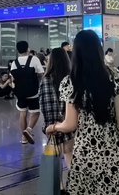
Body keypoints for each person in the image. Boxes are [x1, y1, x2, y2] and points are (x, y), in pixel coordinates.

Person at [46, 30, 119, 194]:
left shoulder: (71, 81)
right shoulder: (115, 75)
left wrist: (53, 127)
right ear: (99, 49)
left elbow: (70, 124)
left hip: (86, 154)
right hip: (113, 150)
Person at [39, 47, 74, 189]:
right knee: (69, 153)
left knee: (55, 156)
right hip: (68, 122)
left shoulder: (45, 80)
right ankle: (75, 184)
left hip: (52, 124)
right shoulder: (71, 78)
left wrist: (49, 125)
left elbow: (43, 103)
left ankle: (59, 186)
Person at [10, 41, 45, 145]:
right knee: (36, 112)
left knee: (22, 113)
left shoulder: (14, 62)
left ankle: (24, 137)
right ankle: (29, 129)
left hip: (20, 93)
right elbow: (41, 74)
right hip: (33, 91)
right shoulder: (34, 59)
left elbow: (13, 78)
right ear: (28, 48)